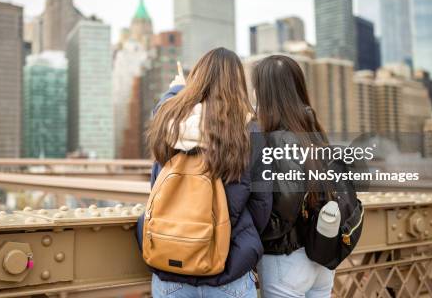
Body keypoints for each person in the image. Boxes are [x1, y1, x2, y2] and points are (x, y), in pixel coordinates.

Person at [137, 47, 271, 298]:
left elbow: (156, 185)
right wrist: (235, 234)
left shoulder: (168, 122)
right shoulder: (249, 131)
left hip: (169, 266)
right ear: (237, 83)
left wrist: (175, 91)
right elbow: (262, 206)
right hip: (228, 270)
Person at [252, 55, 335, 298]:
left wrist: (250, 236)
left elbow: (284, 209)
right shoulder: (314, 131)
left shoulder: (278, 139)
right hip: (320, 256)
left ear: (266, 93)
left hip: (286, 261)